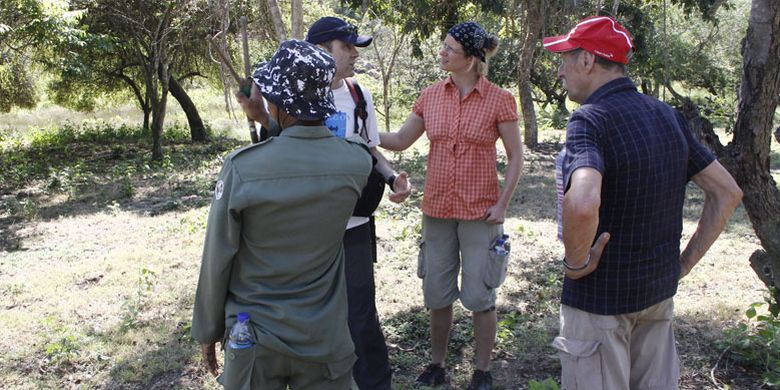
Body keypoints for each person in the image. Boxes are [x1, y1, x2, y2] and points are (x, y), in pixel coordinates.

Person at [543, 16, 743, 390]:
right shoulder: (668, 116)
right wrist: (681, 265)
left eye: (566, 58)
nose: (560, 71)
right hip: (657, 296)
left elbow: (584, 202)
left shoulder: (590, 119)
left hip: (599, 303)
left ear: (588, 61)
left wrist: (575, 262)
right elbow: (727, 192)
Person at [191, 39, 373, 390]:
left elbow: (218, 256)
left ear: (277, 102)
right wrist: (270, 118)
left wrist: (207, 329)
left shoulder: (242, 169)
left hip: (256, 336)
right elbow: (307, 144)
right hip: (324, 337)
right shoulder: (355, 162)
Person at [379, 21, 523, 390]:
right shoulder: (430, 96)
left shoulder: (499, 99)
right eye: (442, 46)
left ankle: (482, 371)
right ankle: (437, 364)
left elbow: (516, 157)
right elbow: (398, 140)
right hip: (437, 210)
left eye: (449, 49)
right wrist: (358, 128)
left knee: (480, 296)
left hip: (481, 212)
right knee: (437, 294)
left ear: (472, 59)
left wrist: (502, 205)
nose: (441, 53)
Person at [305, 16, 412, 390]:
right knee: (313, 310)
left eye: (354, 47)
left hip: (354, 225)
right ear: (321, 50)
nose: (353, 54)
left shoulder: (357, 95)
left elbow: (369, 149)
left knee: (361, 312)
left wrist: (390, 176)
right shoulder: (294, 96)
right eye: (346, 46)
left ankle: (373, 382)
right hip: (307, 230)